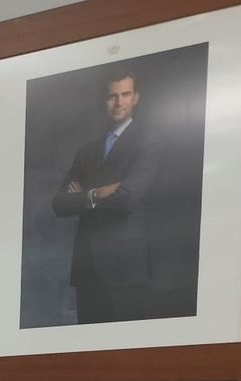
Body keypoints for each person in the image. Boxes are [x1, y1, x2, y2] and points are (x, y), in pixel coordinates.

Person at [51, 71, 164, 323]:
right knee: (87, 344)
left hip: (126, 268)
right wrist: (96, 193)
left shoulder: (148, 141)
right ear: (104, 100)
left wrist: (82, 198)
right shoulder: (86, 151)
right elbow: (59, 204)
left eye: (125, 94)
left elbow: (127, 198)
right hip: (87, 267)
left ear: (136, 98)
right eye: (112, 96)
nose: (119, 102)